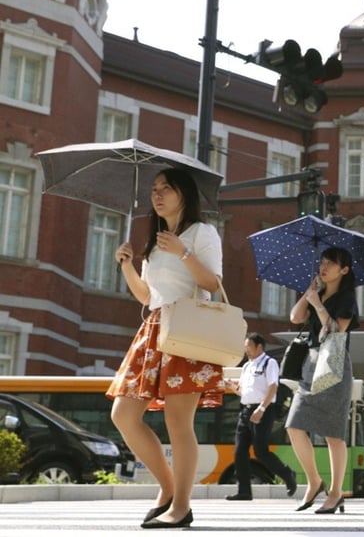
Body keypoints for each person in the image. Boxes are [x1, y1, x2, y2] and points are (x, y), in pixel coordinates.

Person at [107, 168, 225, 529]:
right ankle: (168, 487)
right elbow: (146, 295)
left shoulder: (202, 233)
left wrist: (185, 252)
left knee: (178, 422)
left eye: (166, 189)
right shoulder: (155, 241)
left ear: (184, 195)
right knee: (123, 415)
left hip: (188, 328)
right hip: (154, 328)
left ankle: (182, 506)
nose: (157, 195)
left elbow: (213, 284)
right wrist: (128, 265)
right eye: (154, 189)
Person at [286, 246, 359, 515]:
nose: (323, 267)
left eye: (331, 263)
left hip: (334, 362)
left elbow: (336, 330)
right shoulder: (317, 292)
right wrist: (310, 294)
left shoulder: (347, 298)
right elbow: (295, 317)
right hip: (311, 362)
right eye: (322, 262)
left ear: (344, 270)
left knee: (333, 434)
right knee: (294, 425)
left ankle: (336, 493)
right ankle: (315, 481)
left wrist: (318, 304)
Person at [225, 333, 298, 501]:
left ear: (259, 347)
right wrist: (232, 387)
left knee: (261, 452)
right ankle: (244, 491)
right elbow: (243, 391)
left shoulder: (269, 363)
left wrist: (261, 409)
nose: (246, 350)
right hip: (245, 411)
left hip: (263, 411)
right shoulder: (246, 366)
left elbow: (273, 387)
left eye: (249, 347)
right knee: (239, 452)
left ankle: (287, 474)